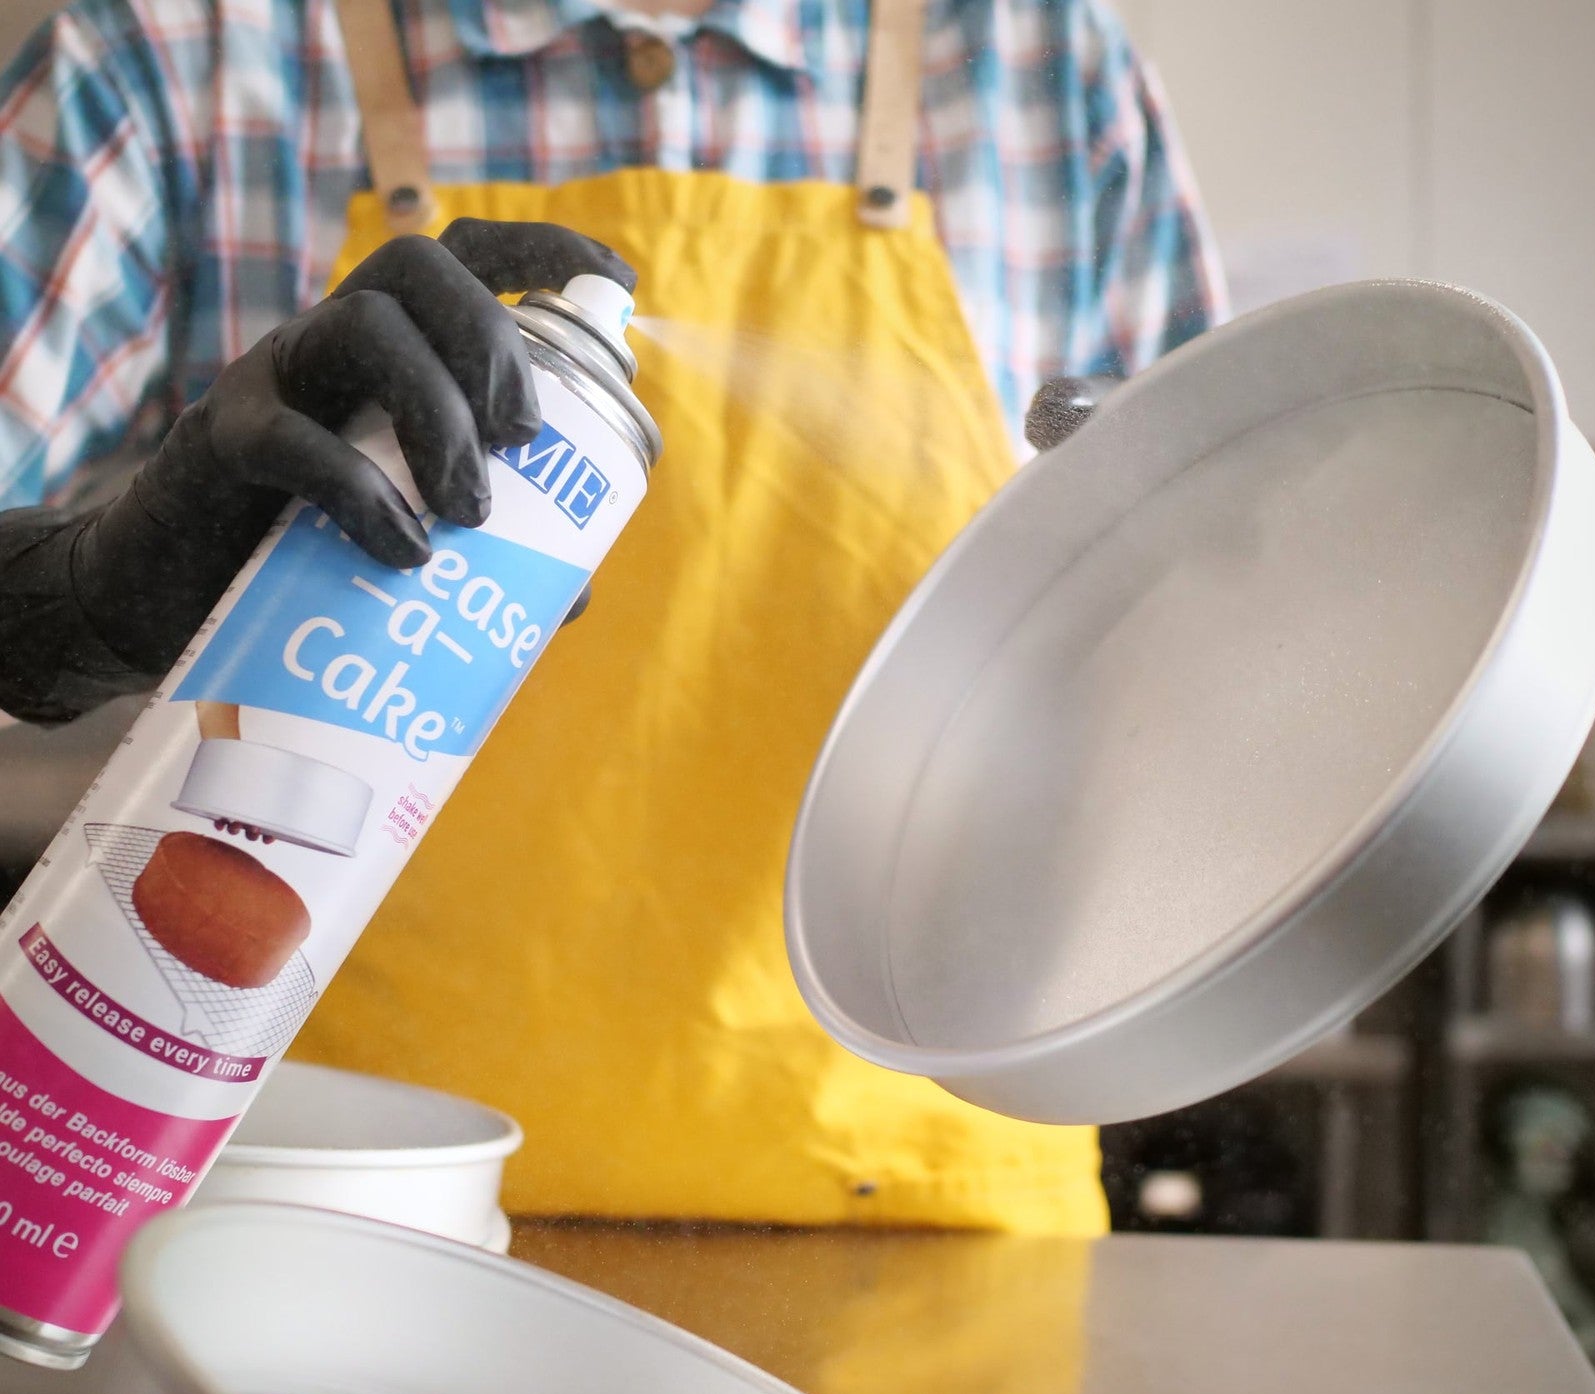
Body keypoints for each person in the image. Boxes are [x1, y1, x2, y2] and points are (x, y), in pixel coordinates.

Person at [0, 0, 1226, 1236]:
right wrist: (80, 594)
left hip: (928, 1221)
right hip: (310, 1206)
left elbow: (1219, 617)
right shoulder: (177, 58)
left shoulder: (1046, 73)